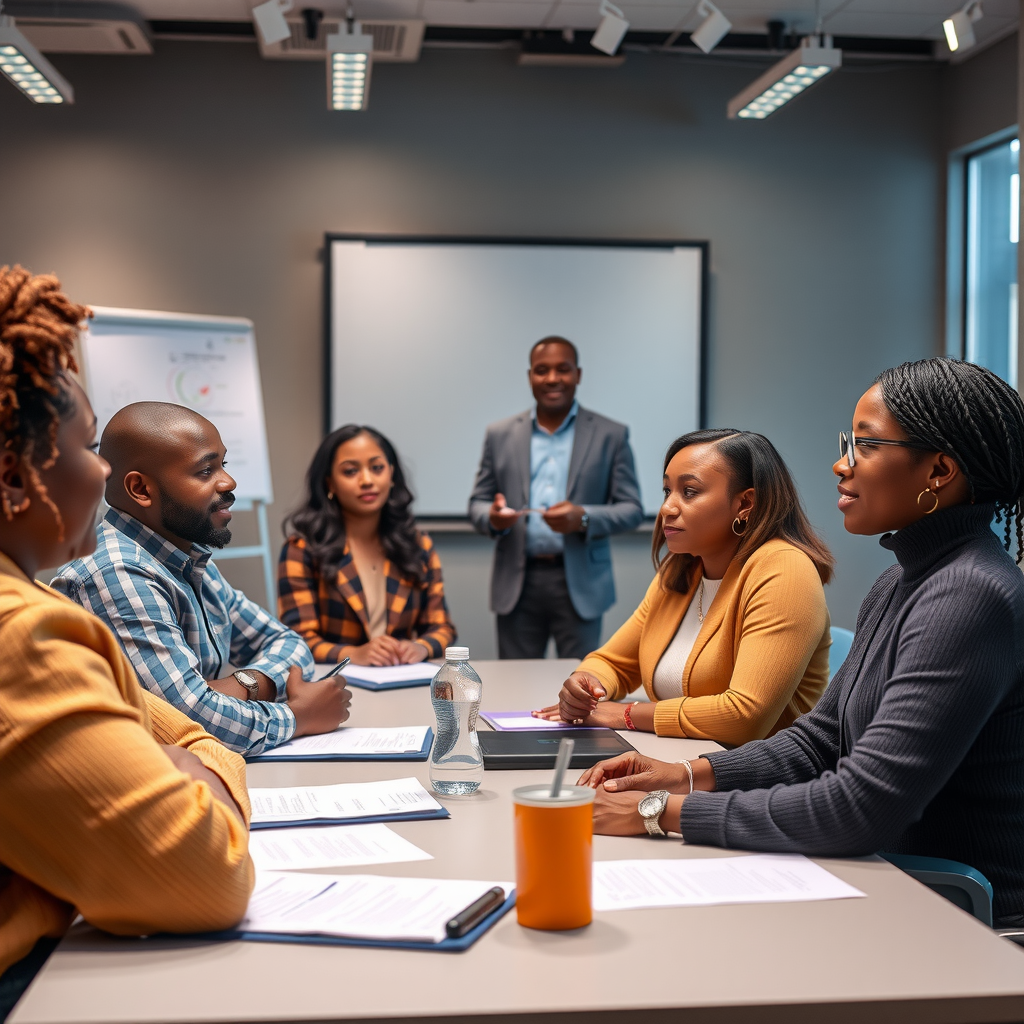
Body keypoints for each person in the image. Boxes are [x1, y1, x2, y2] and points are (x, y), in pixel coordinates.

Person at [578, 358, 1024, 927]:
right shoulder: (901, 579)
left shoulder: (970, 595)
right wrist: (685, 775)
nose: (841, 465)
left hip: (951, 909)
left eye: (866, 446)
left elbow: (860, 808)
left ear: (937, 470)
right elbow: (822, 739)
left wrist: (658, 812)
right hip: (888, 875)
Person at [0, 266, 253, 1020]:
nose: (105, 470)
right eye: (86, 447)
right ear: (17, 479)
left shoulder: (37, 599)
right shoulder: (23, 637)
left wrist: (188, 749)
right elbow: (207, 877)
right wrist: (206, 765)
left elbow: (168, 722)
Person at [51, 403, 350, 758]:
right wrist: (299, 716)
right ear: (141, 489)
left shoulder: (183, 557)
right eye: (206, 470)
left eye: (224, 464)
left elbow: (287, 643)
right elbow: (189, 721)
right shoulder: (118, 571)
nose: (228, 481)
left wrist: (241, 685)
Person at [535, 429, 833, 745]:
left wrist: (625, 714)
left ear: (745, 503)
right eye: (667, 491)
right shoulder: (682, 571)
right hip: (677, 760)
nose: (667, 508)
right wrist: (586, 686)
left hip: (758, 782)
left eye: (689, 492)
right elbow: (613, 662)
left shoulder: (785, 570)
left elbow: (744, 717)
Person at [468, 336, 643, 659]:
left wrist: (584, 517)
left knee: (581, 686)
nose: (552, 378)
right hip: (518, 582)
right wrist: (493, 517)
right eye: (542, 370)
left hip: (580, 582)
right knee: (515, 685)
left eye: (562, 370)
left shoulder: (611, 434)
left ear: (578, 375)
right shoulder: (500, 433)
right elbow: (477, 503)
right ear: (530, 376)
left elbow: (632, 509)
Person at [277, 425, 455, 665]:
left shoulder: (418, 544)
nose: (367, 480)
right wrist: (353, 654)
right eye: (350, 471)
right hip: (334, 686)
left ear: (391, 475)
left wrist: (419, 647)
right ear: (330, 483)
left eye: (377, 468)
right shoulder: (302, 549)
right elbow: (297, 640)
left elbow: (442, 627)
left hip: (402, 678)